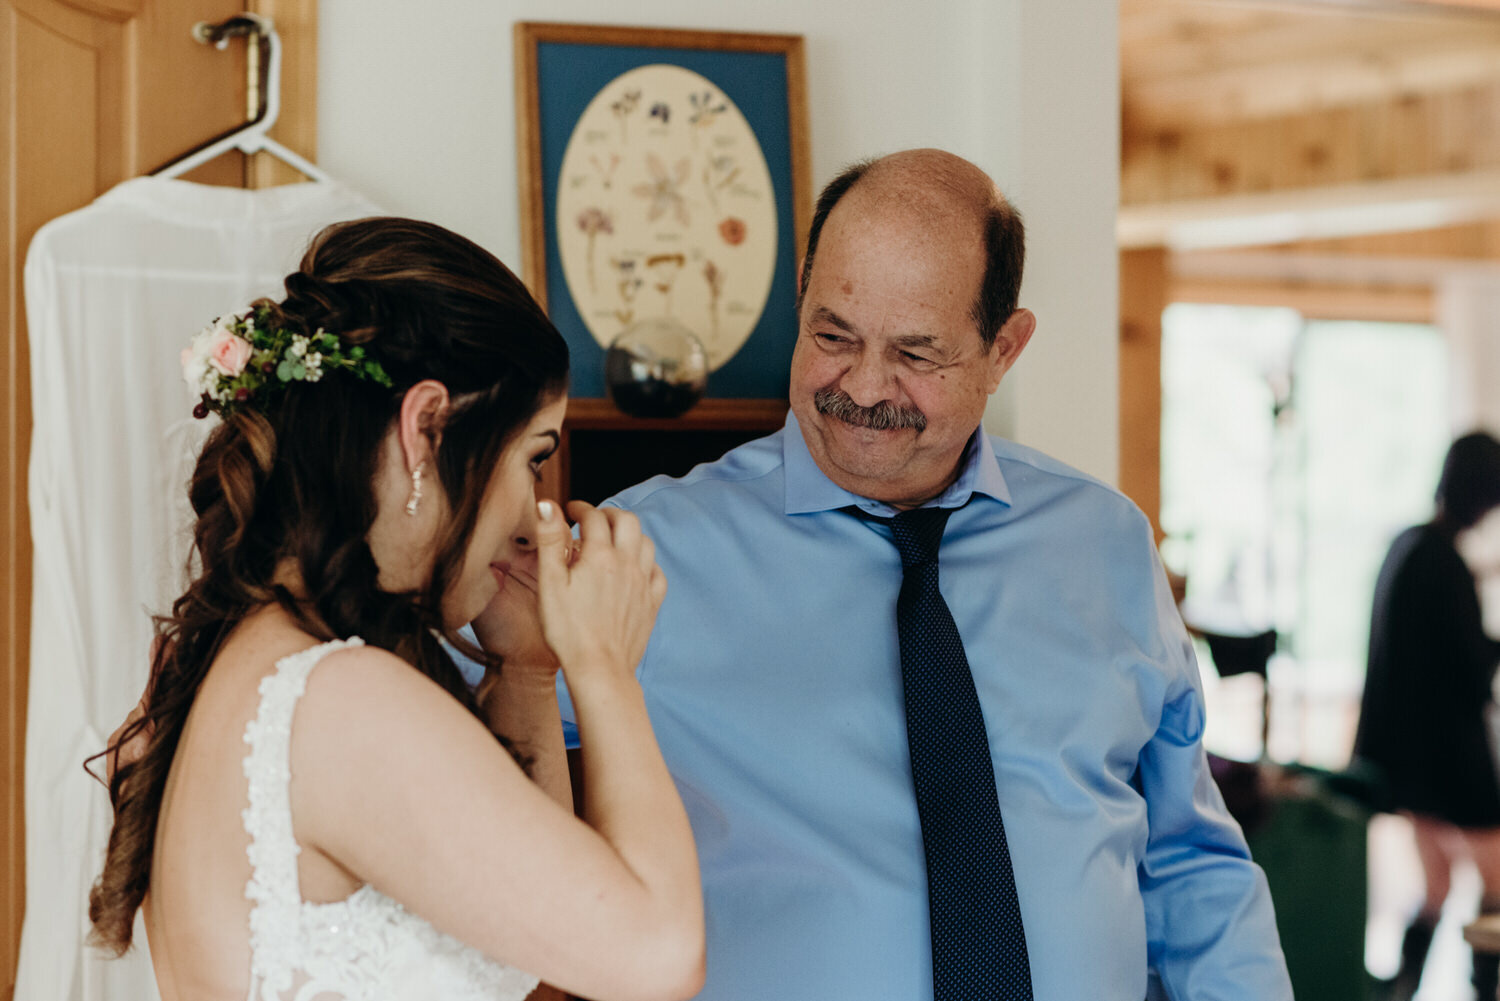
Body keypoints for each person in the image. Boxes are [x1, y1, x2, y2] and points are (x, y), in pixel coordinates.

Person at [559, 149, 1294, 1000]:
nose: (864, 385)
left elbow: (1189, 859)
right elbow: (472, 739)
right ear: (801, 294)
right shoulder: (641, 550)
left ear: (1003, 347)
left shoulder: (1106, 545)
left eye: (917, 354)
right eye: (833, 334)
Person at [91, 218, 704, 1001]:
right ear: (426, 427)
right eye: (532, 458)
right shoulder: (341, 701)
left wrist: (525, 669)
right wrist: (606, 667)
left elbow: (549, 943)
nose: (533, 514)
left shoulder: (245, 662)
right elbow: (659, 954)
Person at [1355, 430, 1500, 1001]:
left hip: (1406, 758)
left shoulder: (1409, 546)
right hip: (1448, 760)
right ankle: (1482, 989)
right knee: (1496, 877)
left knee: (1437, 885)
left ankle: (1401, 992)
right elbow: (1468, 665)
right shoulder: (1443, 563)